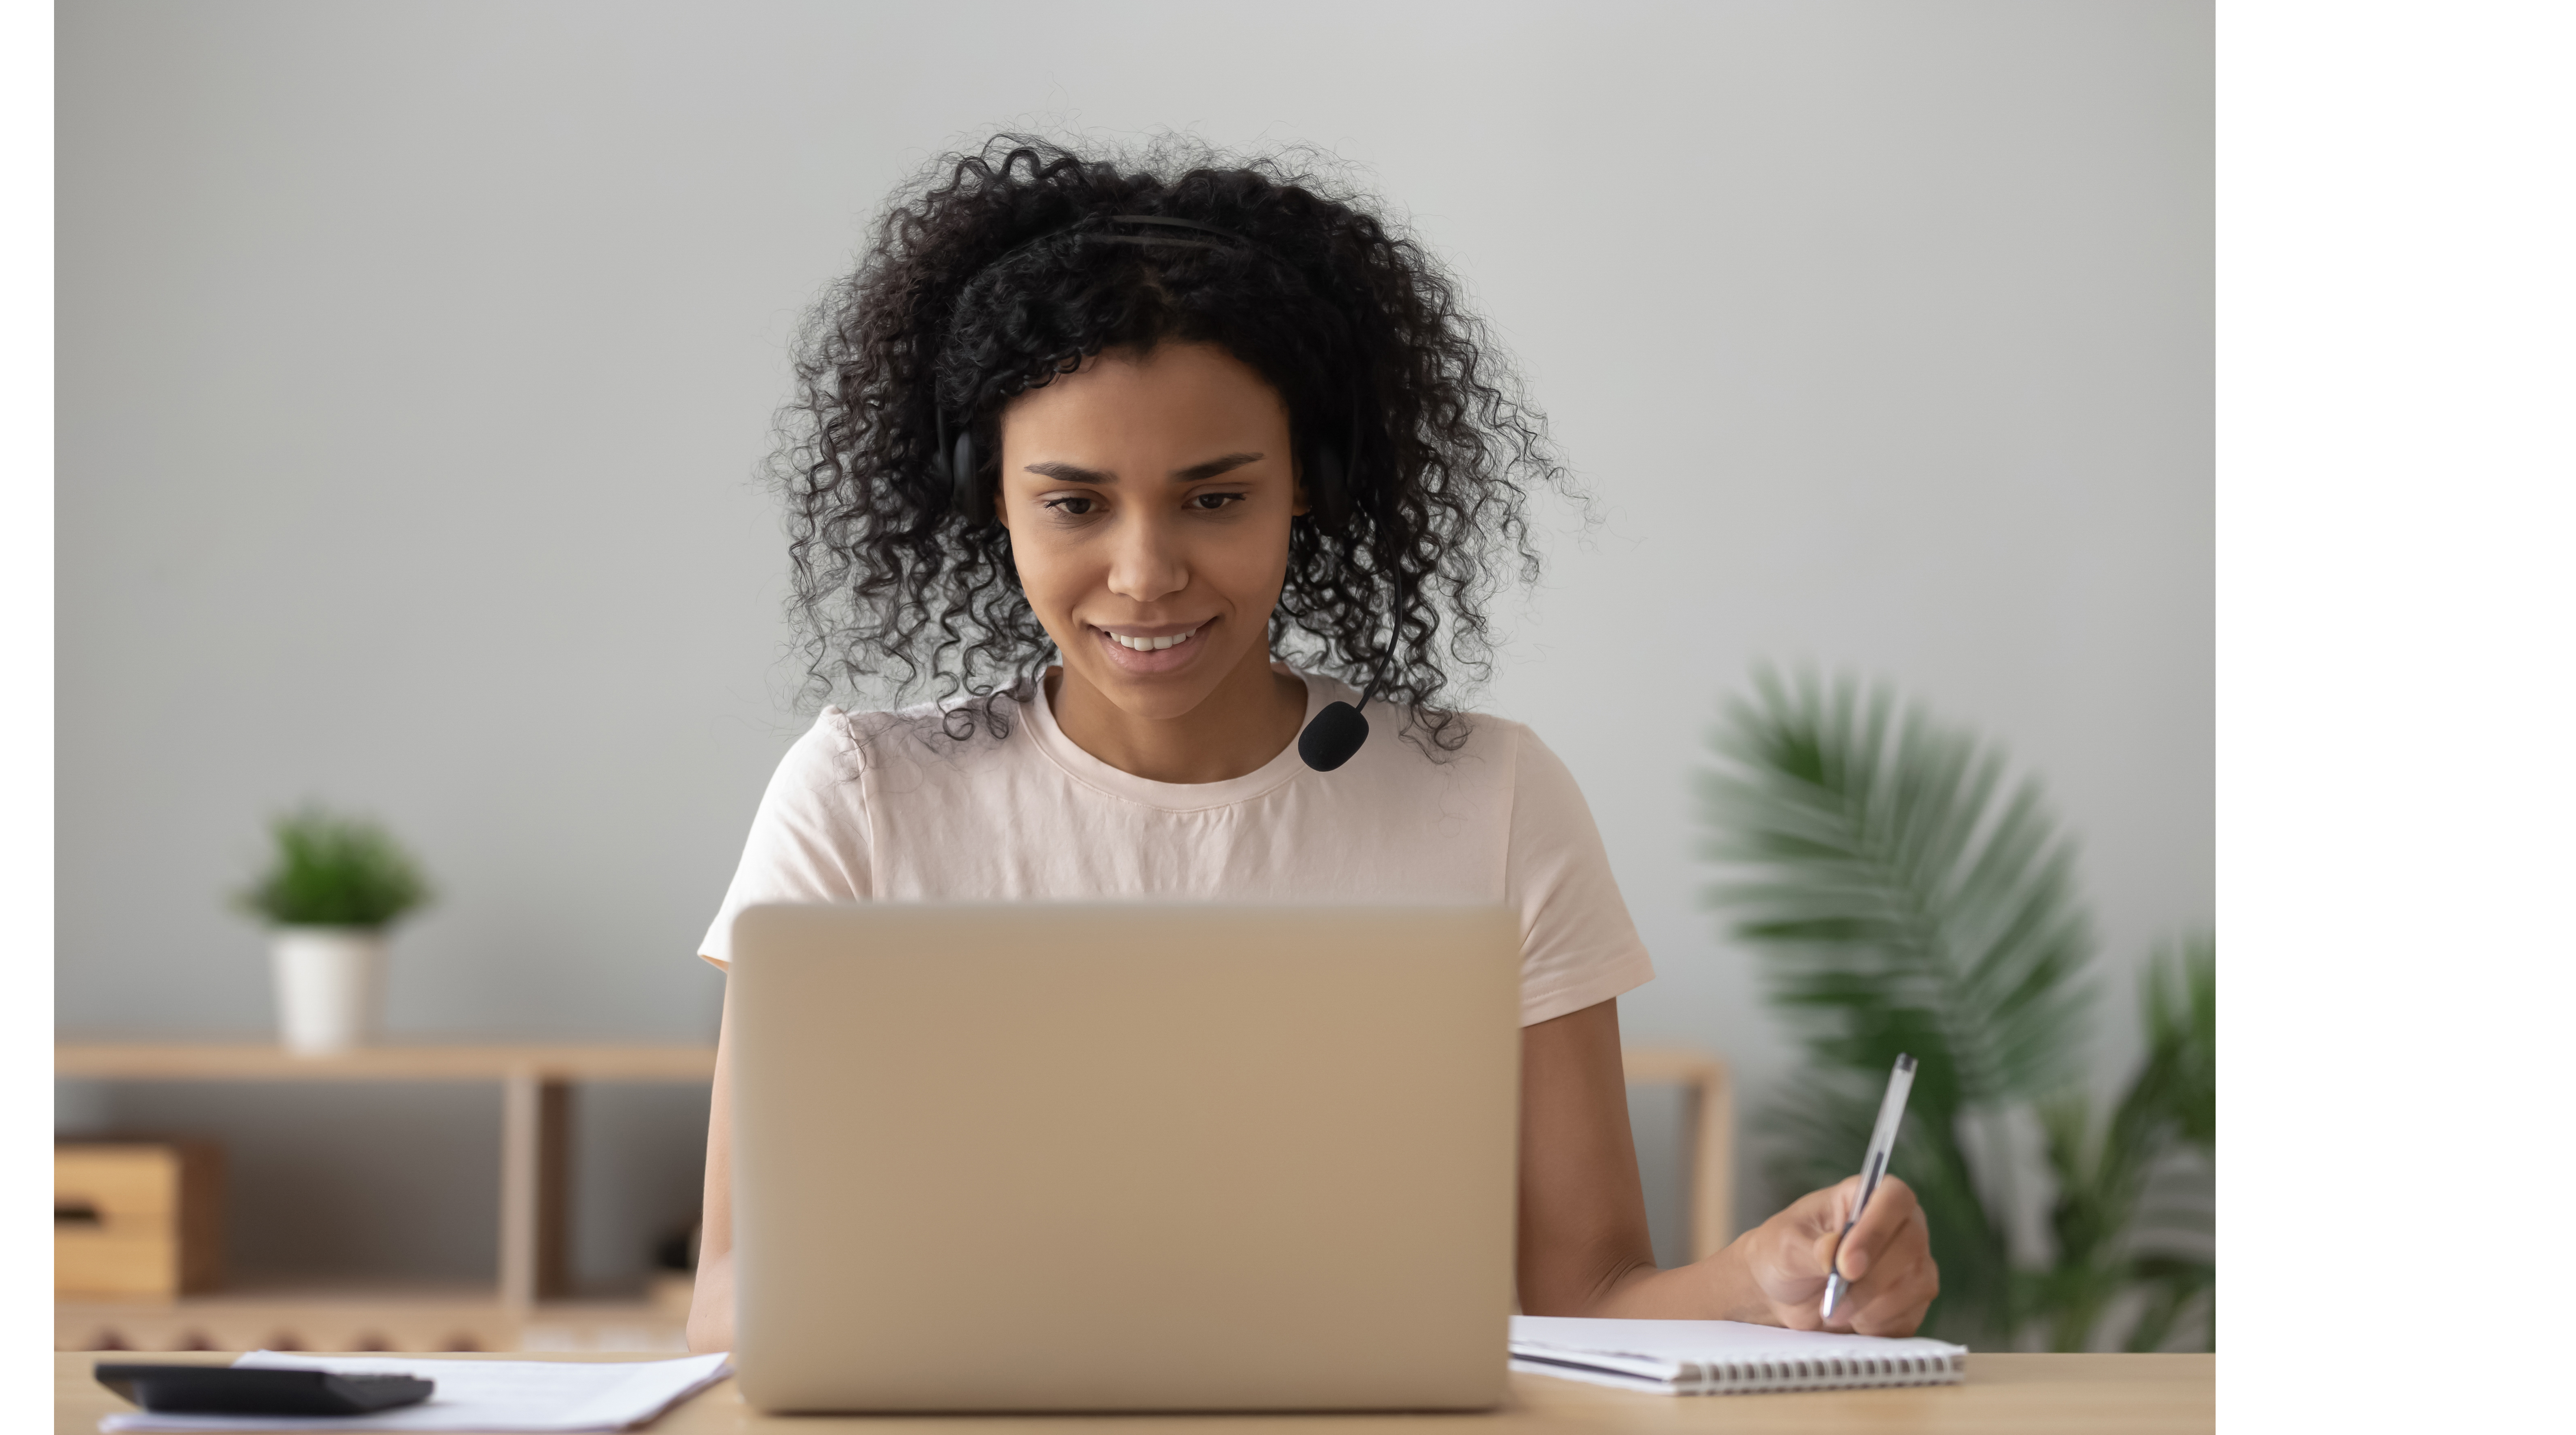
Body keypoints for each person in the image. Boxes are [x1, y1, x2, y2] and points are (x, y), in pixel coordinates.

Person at [683, 138, 1935, 1355]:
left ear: (1313, 484)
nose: (1145, 571)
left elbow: (1586, 1291)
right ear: (985, 497)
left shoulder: (1493, 799)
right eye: (1073, 503)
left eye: (1216, 498)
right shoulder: (860, 800)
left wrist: (1759, 1278)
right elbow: (732, 1297)